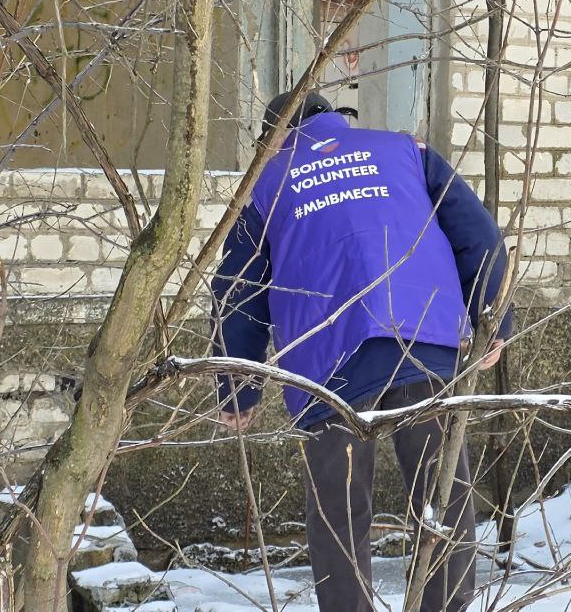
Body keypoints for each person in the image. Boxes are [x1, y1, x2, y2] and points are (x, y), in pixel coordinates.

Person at [211, 91, 511, 612]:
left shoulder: (267, 184)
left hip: (327, 363)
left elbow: (239, 289)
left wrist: (239, 389)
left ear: (276, 137)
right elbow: (478, 234)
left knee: (339, 510)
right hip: (423, 337)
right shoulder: (406, 150)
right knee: (441, 492)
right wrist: (492, 320)